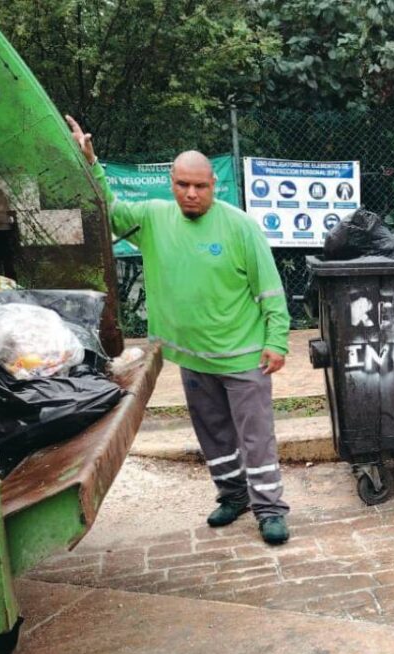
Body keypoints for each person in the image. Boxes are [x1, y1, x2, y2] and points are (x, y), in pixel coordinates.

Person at [66, 115, 292, 545]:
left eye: (200, 186)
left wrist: (277, 341)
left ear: (214, 185)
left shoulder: (240, 226)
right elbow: (110, 213)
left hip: (242, 356)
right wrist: (91, 164)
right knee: (213, 435)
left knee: (256, 438)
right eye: (182, 184)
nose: (191, 193)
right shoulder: (153, 219)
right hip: (190, 356)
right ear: (171, 183)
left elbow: (270, 292)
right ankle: (233, 495)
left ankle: (270, 509)